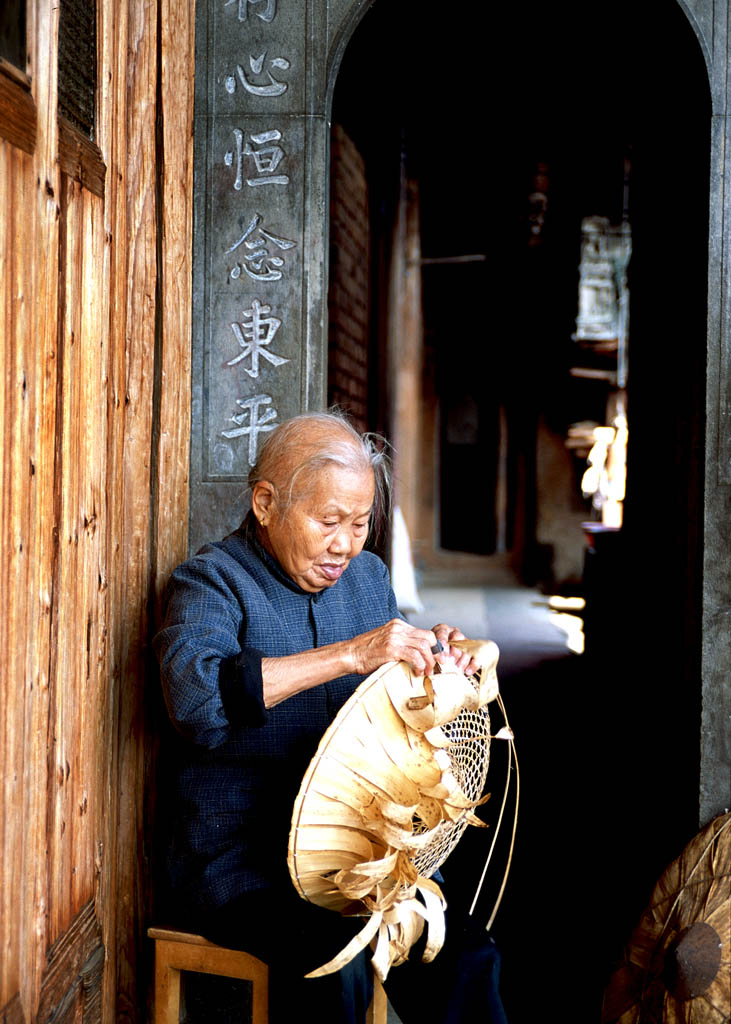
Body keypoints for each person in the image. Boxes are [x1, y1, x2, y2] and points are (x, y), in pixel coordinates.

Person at [154, 411, 507, 1023]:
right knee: (335, 964)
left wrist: (436, 663)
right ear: (266, 503)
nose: (345, 544)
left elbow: (399, 710)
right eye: (328, 522)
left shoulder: (369, 579)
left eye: (360, 522)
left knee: (466, 955)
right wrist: (350, 654)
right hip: (240, 862)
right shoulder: (211, 581)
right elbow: (196, 700)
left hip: (357, 853)